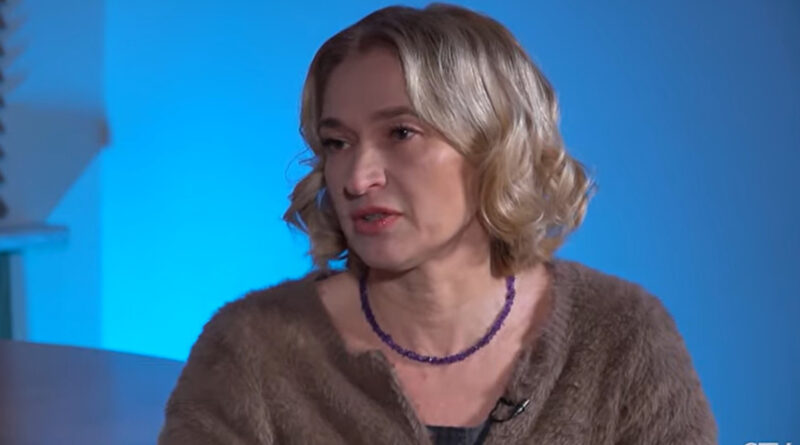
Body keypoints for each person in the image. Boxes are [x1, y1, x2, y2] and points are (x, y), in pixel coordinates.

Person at [158, 4, 717, 444]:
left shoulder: (621, 335)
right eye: (338, 142)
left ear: (494, 144)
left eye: (401, 133)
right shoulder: (252, 349)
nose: (357, 177)